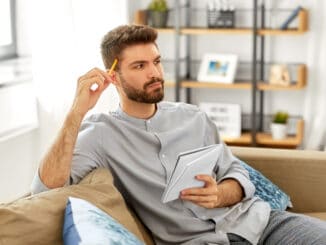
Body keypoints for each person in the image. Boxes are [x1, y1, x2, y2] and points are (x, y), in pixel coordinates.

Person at [31, 24, 326, 245]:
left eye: (157, 61)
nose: (155, 73)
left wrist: (222, 193)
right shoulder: (99, 134)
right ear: (113, 75)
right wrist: (75, 112)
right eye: (140, 66)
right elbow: (45, 189)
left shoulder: (193, 117)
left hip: (261, 223)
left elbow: (235, 170)